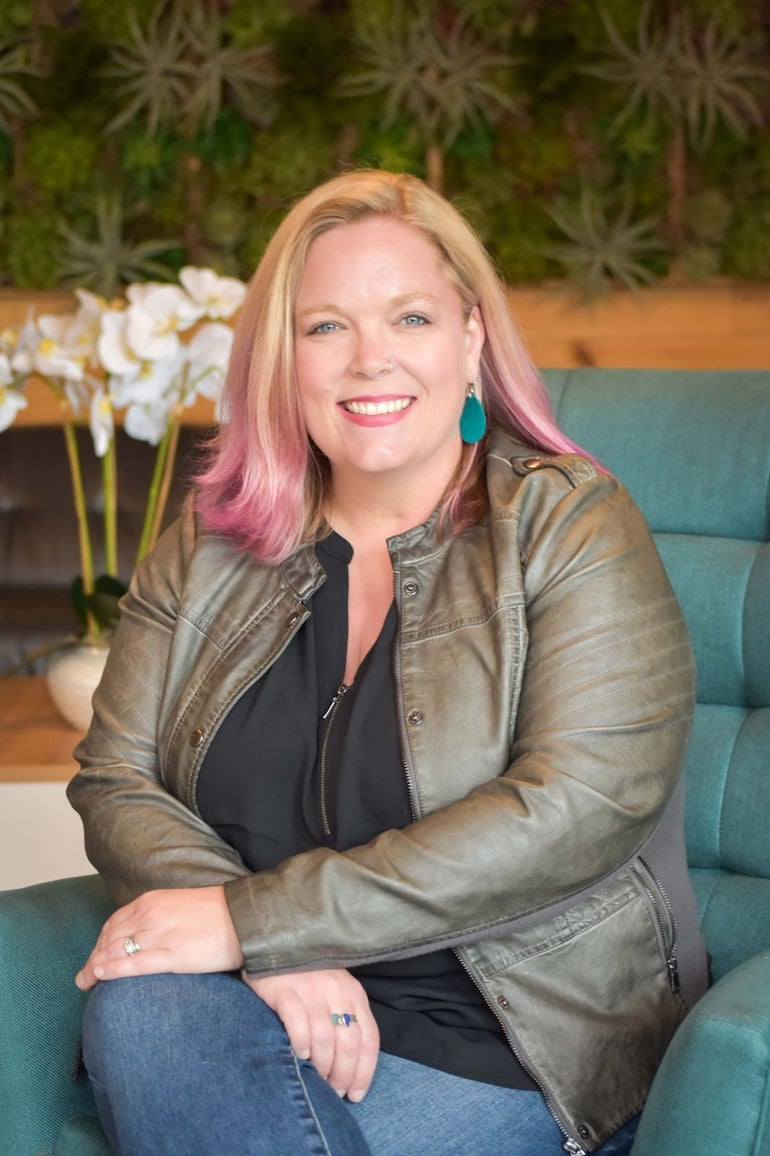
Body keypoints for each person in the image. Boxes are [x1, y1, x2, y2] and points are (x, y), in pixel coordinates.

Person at [67, 169, 708, 1156]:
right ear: (283, 359)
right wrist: (267, 959)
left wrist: (256, 922)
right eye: (325, 327)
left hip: (506, 1039)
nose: (369, 360)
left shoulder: (566, 522)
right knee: (142, 1003)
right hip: (267, 1007)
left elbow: (579, 807)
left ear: (469, 341)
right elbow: (117, 775)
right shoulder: (208, 544)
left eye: (407, 318)